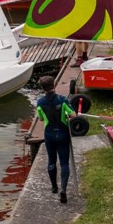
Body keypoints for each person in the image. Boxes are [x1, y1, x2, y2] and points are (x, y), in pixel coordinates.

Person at [35, 75, 74, 204]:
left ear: (42, 88)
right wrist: (68, 117)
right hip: (62, 133)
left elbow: (40, 118)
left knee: (51, 160)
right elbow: (74, 115)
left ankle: (54, 187)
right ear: (54, 84)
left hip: (49, 134)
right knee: (64, 162)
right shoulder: (62, 100)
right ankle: (63, 189)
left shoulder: (40, 102)